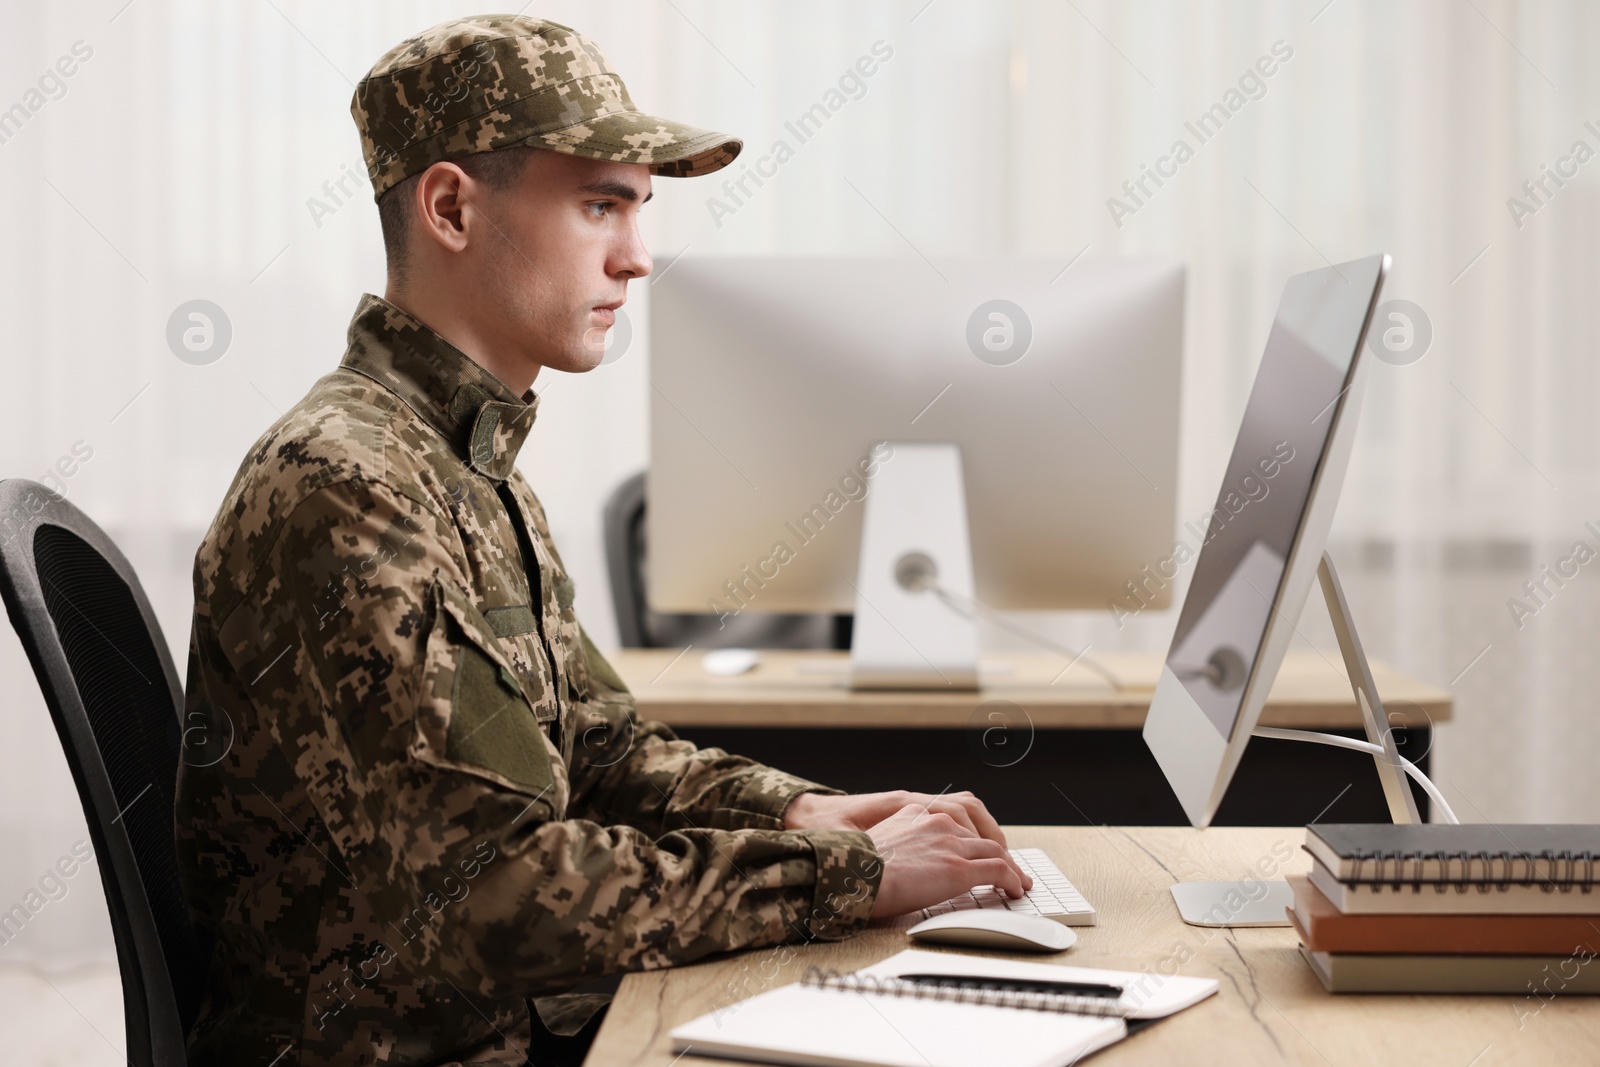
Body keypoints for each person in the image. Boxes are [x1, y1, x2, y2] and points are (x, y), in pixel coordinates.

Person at [175, 15, 1029, 1066]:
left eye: (639, 208)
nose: (638, 257)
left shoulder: (463, 464)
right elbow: (495, 892)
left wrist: (809, 811)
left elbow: (597, 749)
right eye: (599, 206)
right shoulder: (351, 484)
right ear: (450, 207)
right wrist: (845, 877)